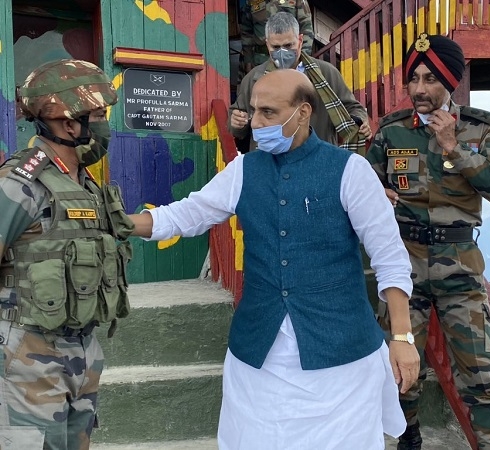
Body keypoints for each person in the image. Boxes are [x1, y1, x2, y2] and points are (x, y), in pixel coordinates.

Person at [129, 68, 420, 449]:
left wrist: (402, 336)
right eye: (254, 111)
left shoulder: (350, 171)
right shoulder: (243, 170)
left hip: (341, 353)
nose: (256, 122)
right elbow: (186, 214)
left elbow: (389, 256)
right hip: (258, 352)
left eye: (268, 112)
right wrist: (120, 223)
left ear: (303, 112)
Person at [366, 33, 490, 450]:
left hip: (460, 268)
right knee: (400, 369)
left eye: (430, 79)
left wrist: (453, 147)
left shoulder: (481, 127)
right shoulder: (392, 131)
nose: (419, 89)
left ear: (449, 81)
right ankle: (408, 437)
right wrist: (378, 193)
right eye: (414, 79)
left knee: (480, 374)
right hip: (404, 267)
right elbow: (363, 183)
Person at [0, 59, 133, 449]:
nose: (105, 127)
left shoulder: (84, 183)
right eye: (99, 116)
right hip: (28, 356)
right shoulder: (21, 184)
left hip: (81, 352)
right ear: (70, 124)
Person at [229, 12, 372, 153]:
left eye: (288, 45)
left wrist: (360, 122)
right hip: (269, 160)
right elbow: (235, 122)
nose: (282, 52)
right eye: (276, 47)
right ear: (267, 44)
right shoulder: (254, 79)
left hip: (318, 157)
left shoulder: (326, 73)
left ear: (300, 40)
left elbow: (353, 108)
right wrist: (237, 123)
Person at [239, 0, 314, 77]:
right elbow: (246, 32)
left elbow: (306, 29)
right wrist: (248, 60)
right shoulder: (251, 1)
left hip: (290, 57)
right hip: (261, 58)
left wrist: (303, 58)